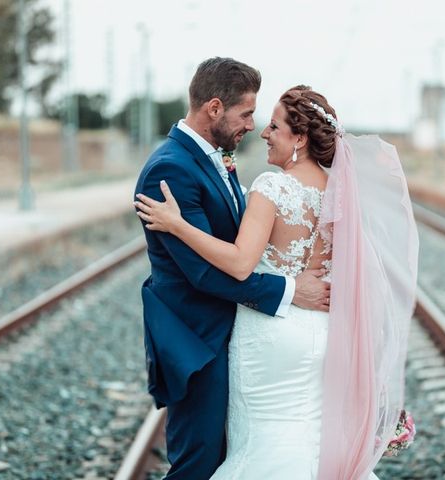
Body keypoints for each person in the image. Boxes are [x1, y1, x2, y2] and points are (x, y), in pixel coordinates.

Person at [135, 84, 419, 479]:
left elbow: (238, 264)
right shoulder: (340, 193)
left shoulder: (272, 187)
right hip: (323, 330)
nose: (263, 132)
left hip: (274, 336)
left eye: (273, 126)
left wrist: (178, 225)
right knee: (311, 439)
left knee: (265, 443)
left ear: (299, 138)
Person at [133, 58, 331, 480]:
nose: (253, 126)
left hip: (240, 337)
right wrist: (291, 290)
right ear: (215, 109)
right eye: (246, 115)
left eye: (264, 120)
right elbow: (203, 273)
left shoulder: (216, 158)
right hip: (198, 340)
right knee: (198, 463)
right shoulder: (170, 170)